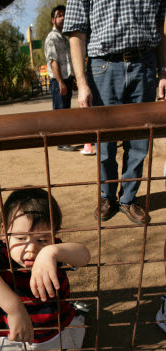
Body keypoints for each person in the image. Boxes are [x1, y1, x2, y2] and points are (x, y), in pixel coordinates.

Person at [63, 1, 166, 223]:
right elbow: (77, 34)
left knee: (139, 141)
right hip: (103, 67)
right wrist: (81, 83)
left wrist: (164, 70)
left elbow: (160, 28)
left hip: (145, 64)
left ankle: (129, 199)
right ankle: (107, 197)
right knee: (105, 142)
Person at [0, 188, 91, 351]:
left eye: (42, 239)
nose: (31, 248)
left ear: (54, 234)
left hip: (50, 328)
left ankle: (77, 317)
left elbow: (84, 256)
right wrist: (15, 309)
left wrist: (51, 252)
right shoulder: (1, 253)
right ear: (4, 231)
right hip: (13, 326)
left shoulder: (54, 251)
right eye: (20, 237)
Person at [45, 4, 93, 154]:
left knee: (65, 111)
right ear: (53, 19)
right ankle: (61, 142)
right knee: (60, 113)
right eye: (59, 15)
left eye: (64, 15)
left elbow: (68, 61)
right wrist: (60, 81)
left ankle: (64, 140)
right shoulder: (52, 38)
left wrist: (70, 81)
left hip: (65, 80)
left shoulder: (65, 38)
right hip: (58, 81)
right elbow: (53, 62)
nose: (62, 18)